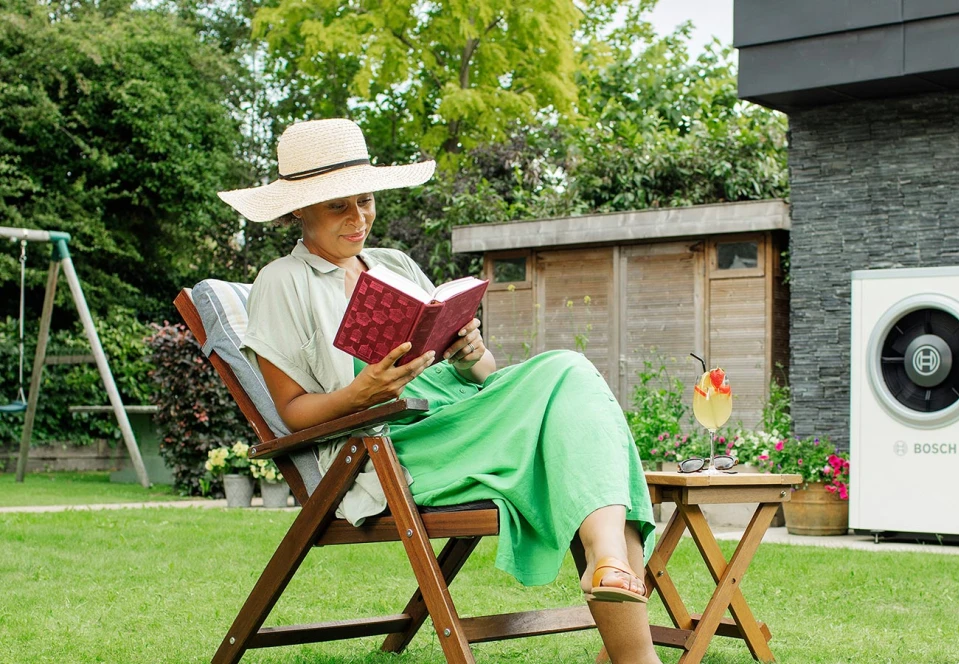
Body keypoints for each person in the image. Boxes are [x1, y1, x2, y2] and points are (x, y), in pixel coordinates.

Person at [218, 118, 660, 663]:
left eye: (365, 200)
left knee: (572, 385)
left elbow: (481, 370)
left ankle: (610, 572)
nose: (358, 218)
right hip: (396, 445)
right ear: (298, 211)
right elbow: (290, 412)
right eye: (338, 207)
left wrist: (471, 350)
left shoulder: (392, 264)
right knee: (570, 385)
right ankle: (626, 624)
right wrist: (363, 392)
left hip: (465, 412)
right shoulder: (282, 282)